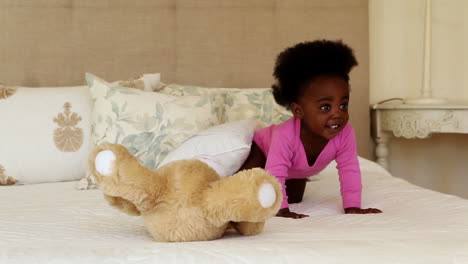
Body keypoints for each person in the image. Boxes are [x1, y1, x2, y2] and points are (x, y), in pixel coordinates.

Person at [239, 40, 382, 219]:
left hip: (296, 169)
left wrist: (352, 206)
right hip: (262, 154)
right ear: (299, 110)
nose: (338, 114)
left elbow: (350, 169)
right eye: (325, 107)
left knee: (296, 198)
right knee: (248, 189)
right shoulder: (285, 135)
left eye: (343, 105)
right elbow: (275, 172)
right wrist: (281, 209)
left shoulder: (345, 134)